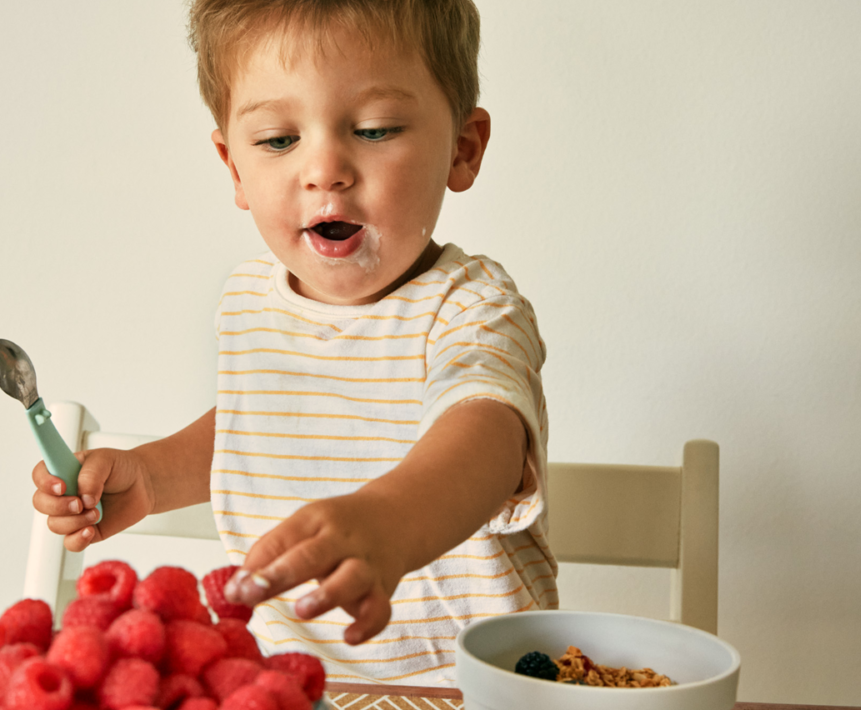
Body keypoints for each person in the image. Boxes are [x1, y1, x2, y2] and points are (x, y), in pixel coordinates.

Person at [32, 0, 556, 685]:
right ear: (233, 167)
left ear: (463, 147)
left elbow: (487, 439)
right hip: (287, 681)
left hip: (471, 686)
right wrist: (156, 474)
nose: (325, 169)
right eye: (279, 140)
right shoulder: (250, 303)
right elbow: (272, 421)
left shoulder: (474, 307)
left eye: (374, 129)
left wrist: (390, 524)